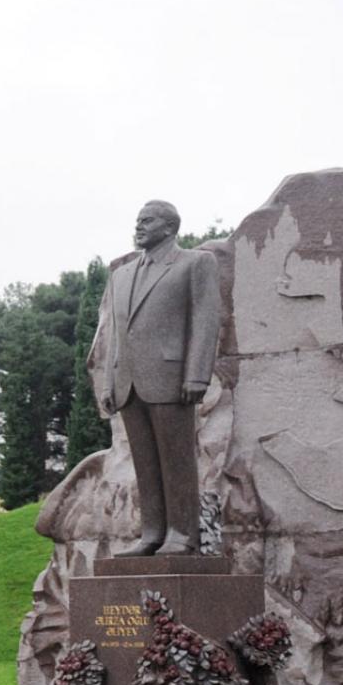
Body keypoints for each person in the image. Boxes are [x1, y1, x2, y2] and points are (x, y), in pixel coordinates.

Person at [87, 200, 223, 556]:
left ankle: (183, 534)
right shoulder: (122, 275)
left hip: (171, 378)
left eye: (147, 221)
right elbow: (116, 334)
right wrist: (108, 383)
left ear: (169, 227)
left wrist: (197, 374)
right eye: (137, 221)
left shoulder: (195, 263)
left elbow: (205, 321)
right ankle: (152, 533)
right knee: (145, 463)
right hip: (128, 383)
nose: (139, 227)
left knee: (177, 461)